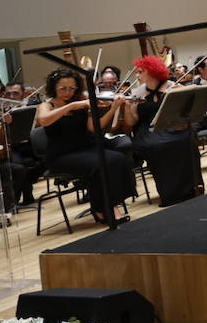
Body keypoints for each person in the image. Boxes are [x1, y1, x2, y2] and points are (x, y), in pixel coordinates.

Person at [35, 69, 134, 224]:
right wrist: (72, 105)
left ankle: (109, 205)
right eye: (63, 88)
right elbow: (44, 120)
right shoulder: (47, 105)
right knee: (101, 163)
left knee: (117, 158)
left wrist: (114, 108)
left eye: (72, 88)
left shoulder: (81, 104)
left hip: (86, 149)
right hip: (62, 155)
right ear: (54, 87)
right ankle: (106, 208)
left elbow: (94, 127)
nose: (68, 92)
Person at [127, 56, 202, 206]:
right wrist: (125, 106)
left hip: (171, 126)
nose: (137, 75)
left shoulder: (173, 86)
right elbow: (131, 122)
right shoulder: (137, 93)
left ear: (152, 72)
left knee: (185, 139)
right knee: (158, 146)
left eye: (140, 72)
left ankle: (192, 186)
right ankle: (170, 193)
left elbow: (189, 111)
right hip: (148, 131)